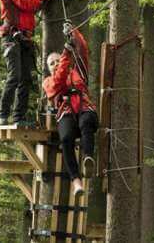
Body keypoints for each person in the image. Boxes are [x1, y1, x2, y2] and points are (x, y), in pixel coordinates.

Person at [43, 24, 98, 195]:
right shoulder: (48, 82)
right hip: (66, 112)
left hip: (83, 106)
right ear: (49, 68)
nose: (55, 64)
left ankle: (88, 158)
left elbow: (82, 49)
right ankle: (76, 181)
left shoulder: (78, 71)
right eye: (52, 63)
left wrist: (73, 32)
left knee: (86, 122)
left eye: (57, 60)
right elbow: (58, 81)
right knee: (66, 138)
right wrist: (66, 53)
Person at [0, 0, 52, 126]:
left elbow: (30, 6)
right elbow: (26, 4)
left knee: (26, 79)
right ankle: (2, 115)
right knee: (15, 76)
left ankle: (18, 117)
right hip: (12, 36)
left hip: (24, 37)